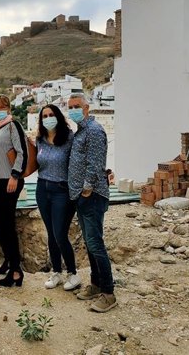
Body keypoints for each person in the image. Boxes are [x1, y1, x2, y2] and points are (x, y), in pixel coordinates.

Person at [67, 94, 117, 312]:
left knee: (96, 243)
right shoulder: (81, 131)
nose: (73, 110)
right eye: (70, 107)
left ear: (87, 108)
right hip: (82, 195)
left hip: (92, 195)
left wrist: (86, 189)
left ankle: (109, 293)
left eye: (77, 106)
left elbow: (96, 164)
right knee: (89, 242)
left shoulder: (94, 131)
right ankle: (96, 284)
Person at [0, 94, 28, 287]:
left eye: (2, 105)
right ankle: (9, 260)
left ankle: (16, 271)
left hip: (8, 181)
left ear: (8, 107)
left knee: (7, 225)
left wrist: (15, 176)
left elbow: (22, 152)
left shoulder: (12, 126)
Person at [34, 105, 80, 291]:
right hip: (42, 188)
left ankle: (73, 273)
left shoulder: (69, 138)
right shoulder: (40, 140)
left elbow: (77, 163)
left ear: (58, 116)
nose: (48, 118)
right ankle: (56, 272)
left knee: (60, 234)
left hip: (62, 190)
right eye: (44, 116)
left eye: (51, 114)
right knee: (51, 234)